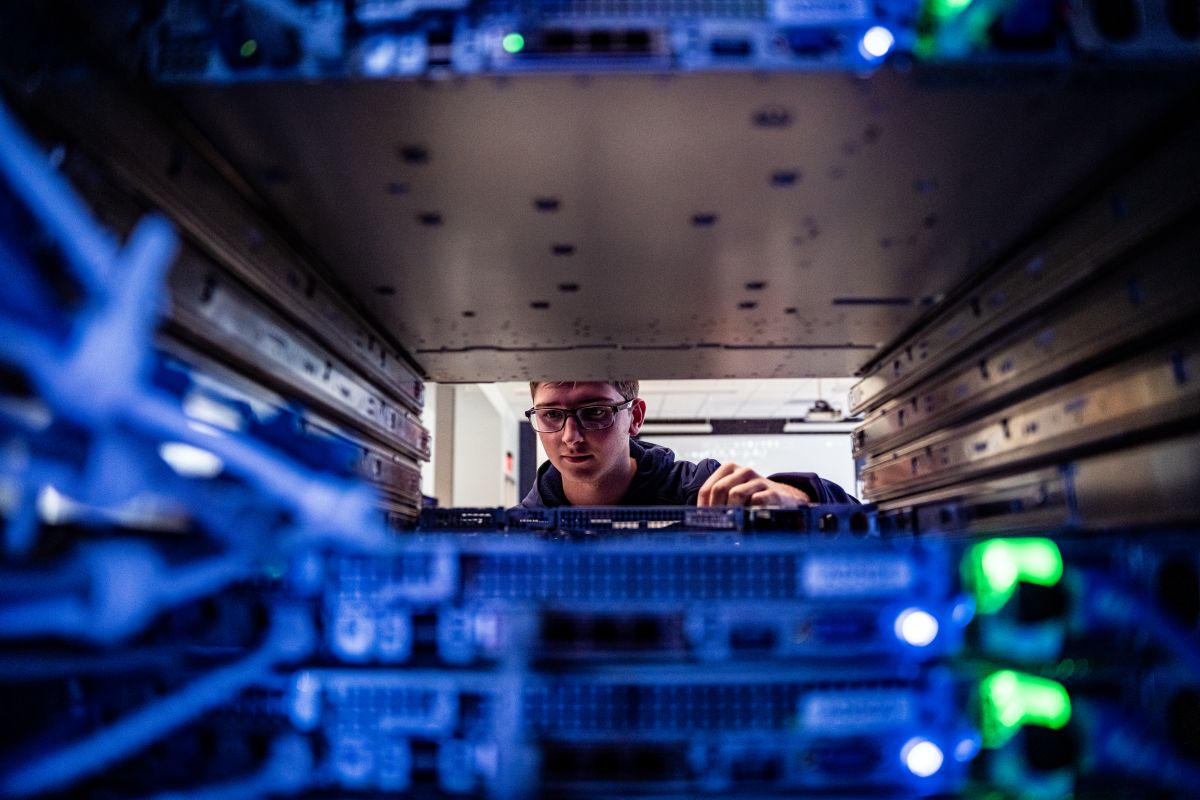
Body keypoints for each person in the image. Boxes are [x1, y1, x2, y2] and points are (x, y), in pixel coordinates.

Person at [519, 380, 857, 508]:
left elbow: (867, 521)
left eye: (594, 412)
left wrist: (799, 502)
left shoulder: (706, 491)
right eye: (551, 414)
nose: (570, 436)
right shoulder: (518, 530)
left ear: (635, 417)